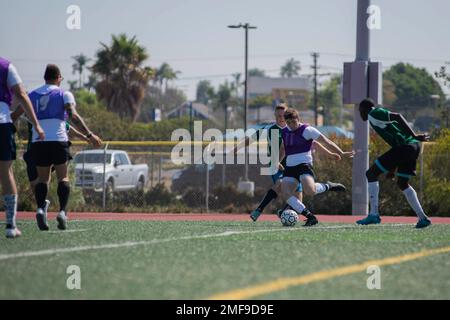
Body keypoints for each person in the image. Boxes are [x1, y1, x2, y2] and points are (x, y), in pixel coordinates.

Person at [29, 64, 102, 231]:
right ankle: (62, 212)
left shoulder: (32, 95)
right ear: (59, 77)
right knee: (63, 178)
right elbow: (73, 115)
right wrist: (90, 135)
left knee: (43, 179)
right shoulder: (64, 93)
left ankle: (40, 209)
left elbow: (18, 113)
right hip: (58, 140)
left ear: (44, 77)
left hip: (39, 141)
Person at [356, 98, 431, 228]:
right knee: (402, 183)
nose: (360, 114)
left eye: (360, 110)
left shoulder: (373, 113)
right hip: (412, 147)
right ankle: (423, 218)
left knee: (371, 174)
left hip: (406, 146)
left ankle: (374, 215)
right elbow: (396, 143)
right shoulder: (375, 118)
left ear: (364, 109)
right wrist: (392, 169)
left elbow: (397, 116)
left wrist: (414, 135)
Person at [279, 108, 354, 226]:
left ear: (298, 119)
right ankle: (310, 217)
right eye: (288, 123)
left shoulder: (308, 130)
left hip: (304, 165)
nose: (291, 125)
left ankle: (328, 186)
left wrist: (341, 152)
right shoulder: (284, 132)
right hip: (290, 167)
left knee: (310, 191)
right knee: (286, 193)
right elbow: (283, 148)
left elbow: (326, 141)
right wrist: (277, 161)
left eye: (293, 122)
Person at [11, 105, 89, 214]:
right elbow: (18, 110)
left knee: (53, 178)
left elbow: (69, 128)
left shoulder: (53, 120)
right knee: (34, 184)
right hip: (33, 151)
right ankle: (43, 204)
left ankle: (61, 210)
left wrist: (85, 137)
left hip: (50, 149)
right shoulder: (32, 117)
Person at [0, 56, 45, 238]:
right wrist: (36, 124)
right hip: (2, 123)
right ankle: (11, 225)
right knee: (6, 173)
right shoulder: (5, 65)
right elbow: (22, 93)